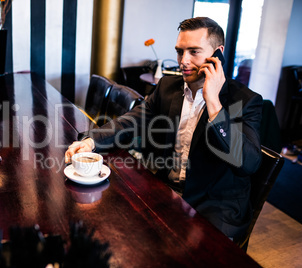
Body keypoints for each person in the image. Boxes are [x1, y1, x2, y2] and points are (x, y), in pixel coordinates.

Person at [65, 17, 263, 241]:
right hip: (167, 190)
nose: (183, 61)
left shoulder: (246, 101)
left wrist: (214, 104)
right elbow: (132, 120)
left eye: (194, 52)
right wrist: (91, 141)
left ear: (217, 53)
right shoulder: (168, 87)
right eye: (180, 51)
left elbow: (248, 163)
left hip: (214, 207)